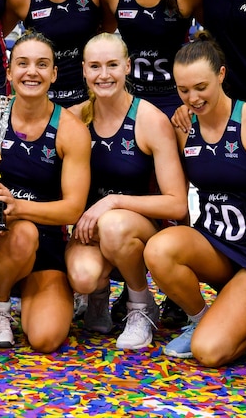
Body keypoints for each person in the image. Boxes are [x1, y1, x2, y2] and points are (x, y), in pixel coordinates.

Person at [143, 33, 246, 365]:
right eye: (183, 90)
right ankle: (199, 318)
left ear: (222, 75)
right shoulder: (185, 126)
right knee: (158, 249)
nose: (193, 98)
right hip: (217, 246)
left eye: (201, 87)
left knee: (210, 351)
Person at [65, 33, 187, 349]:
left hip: (139, 230)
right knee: (82, 276)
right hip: (89, 228)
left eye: (112, 65)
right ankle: (97, 296)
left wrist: (112, 202)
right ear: (83, 70)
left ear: (128, 67)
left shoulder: (150, 120)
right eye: (95, 66)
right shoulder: (74, 118)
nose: (104, 75)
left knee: (114, 223)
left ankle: (140, 306)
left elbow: (176, 204)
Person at [0, 32, 92, 352]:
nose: (32, 72)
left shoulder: (71, 130)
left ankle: (35, 291)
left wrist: (18, 207)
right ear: (9, 72)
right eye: (23, 63)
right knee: (23, 233)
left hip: (47, 246)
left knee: (45, 339)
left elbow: (72, 209)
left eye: (42, 65)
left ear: (54, 74)